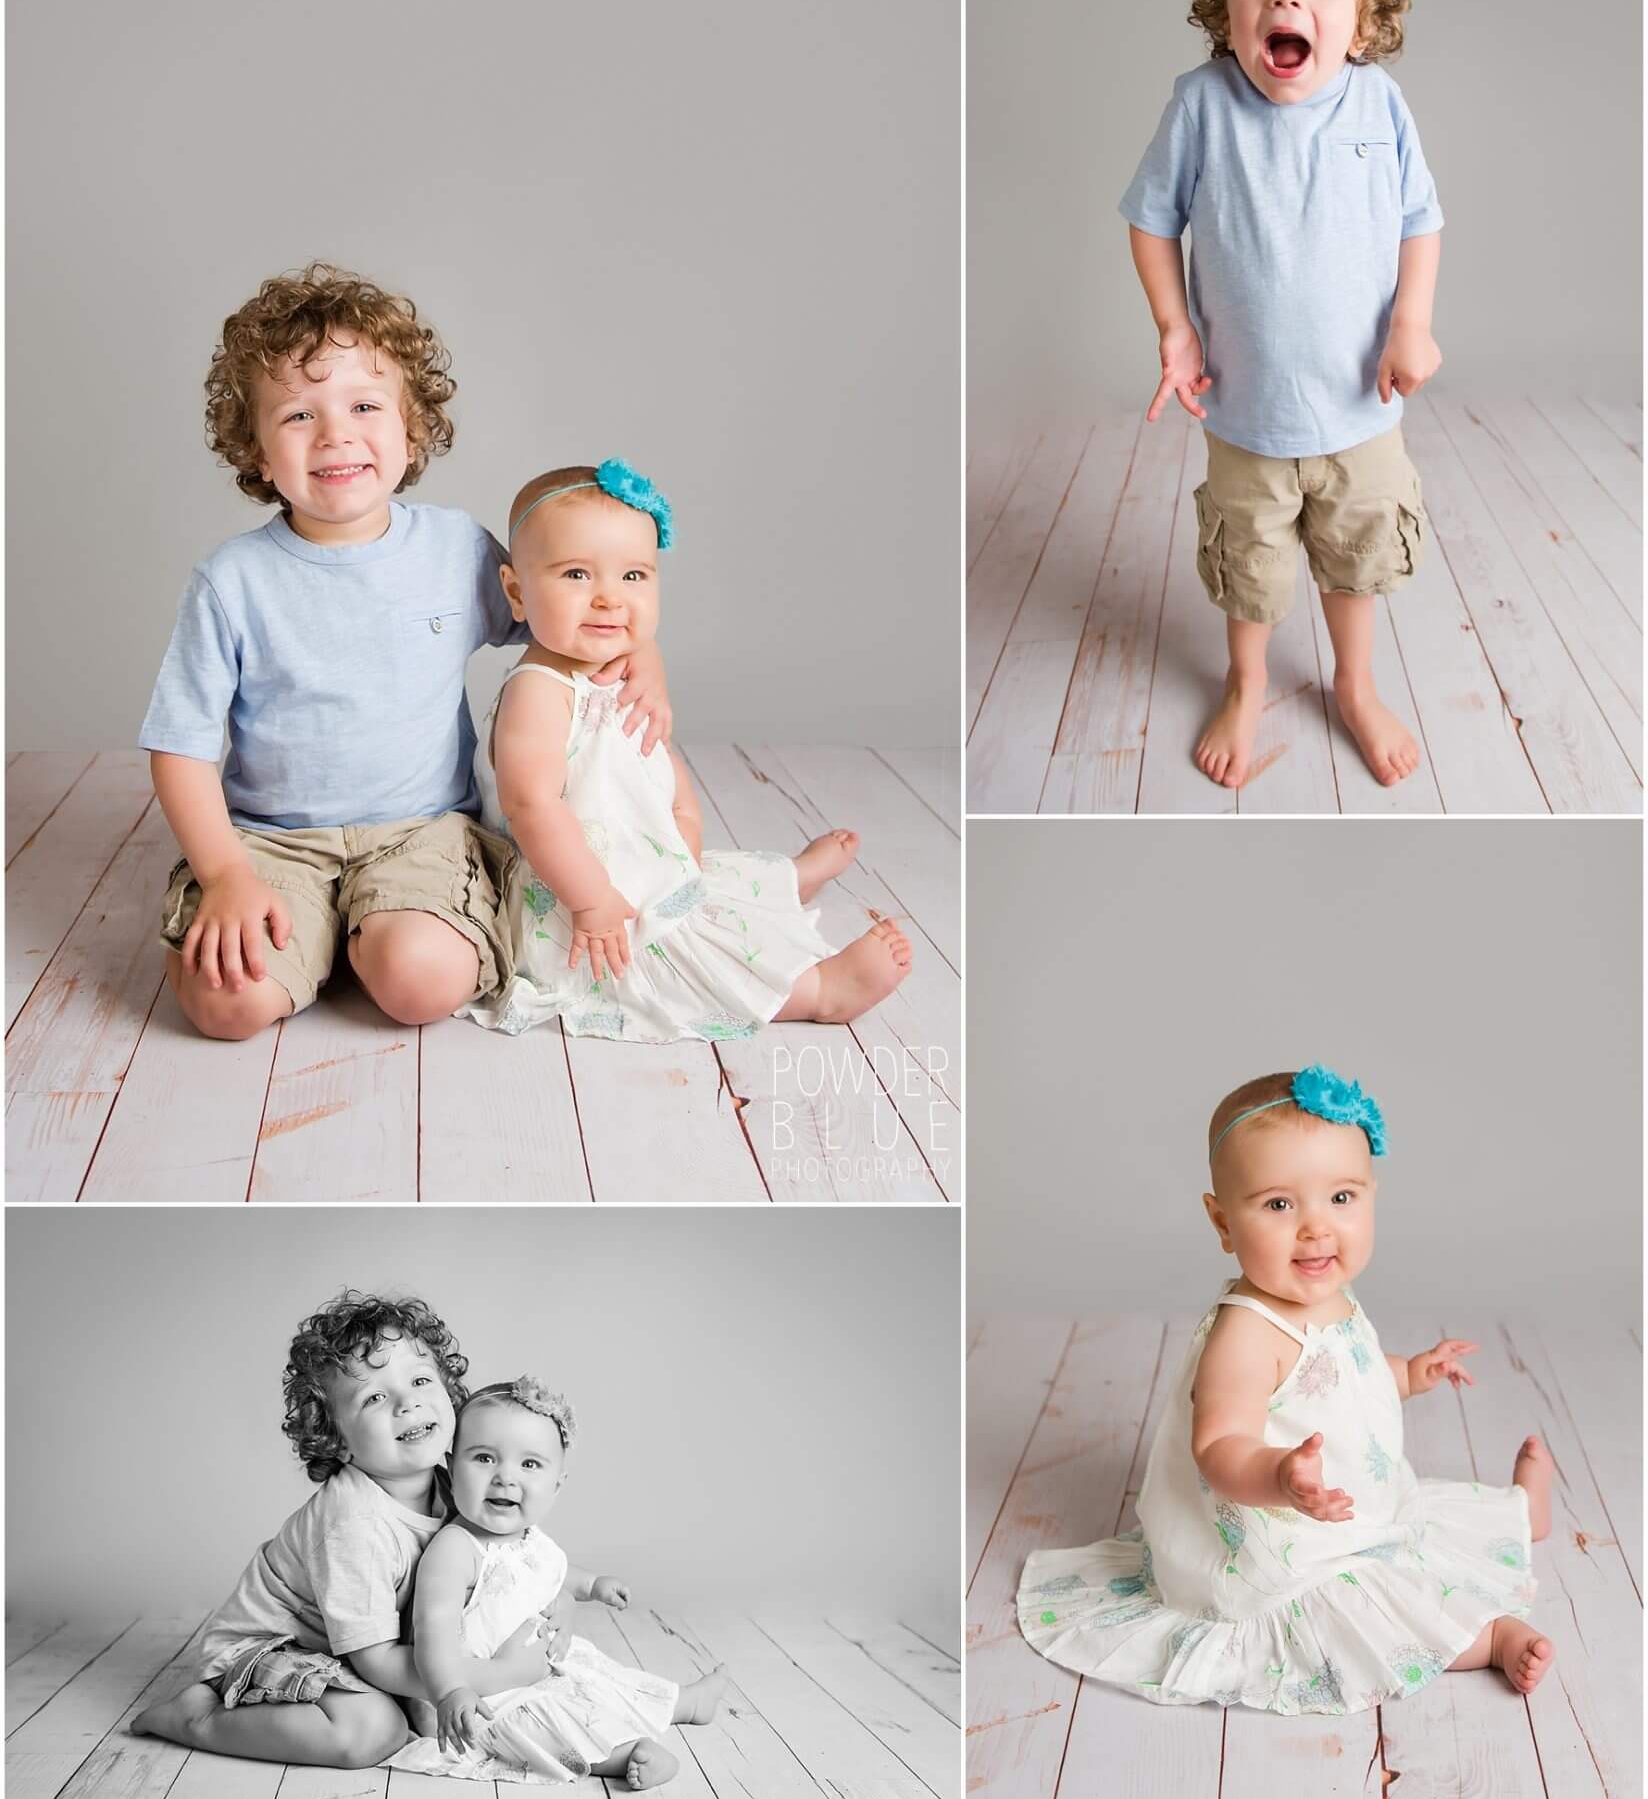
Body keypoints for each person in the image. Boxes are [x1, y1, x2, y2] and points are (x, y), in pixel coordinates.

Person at [140, 265, 670, 1038]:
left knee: (423, 985)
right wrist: (224, 874)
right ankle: (302, 929)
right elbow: (180, 747)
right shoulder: (233, 581)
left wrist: (644, 656)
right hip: (273, 838)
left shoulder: (455, 548)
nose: (336, 434)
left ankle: (372, 932)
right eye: (296, 416)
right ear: (256, 451)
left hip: (419, 829)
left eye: (363, 405)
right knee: (228, 1007)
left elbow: (571, 631)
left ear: (411, 428)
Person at [1018, 1066, 1555, 1713]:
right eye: (1279, 1204)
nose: (1316, 1228)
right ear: (1221, 1222)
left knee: (1419, 1535)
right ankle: (1487, 1639)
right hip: (1286, 1549)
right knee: (1359, 1610)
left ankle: (1523, 1515)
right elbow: (1219, 1445)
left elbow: (1347, 1374)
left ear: (1371, 1196)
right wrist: (1279, 1477)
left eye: (1342, 1198)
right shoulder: (1247, 1334)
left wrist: (1412, 1372)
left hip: (1354, 1503)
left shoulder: (1328, 1293)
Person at [1123, 0, 1443, 789]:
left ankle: (1355, 683)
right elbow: (1151, 220)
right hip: (1248, 414)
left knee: (1356, 559)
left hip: (1360, 409)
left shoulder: (1378, 106)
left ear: (1362, 19)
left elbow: (1420, 219)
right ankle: (1248, 678)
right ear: (1225, 10)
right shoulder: (1202, 106)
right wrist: (1175, 330)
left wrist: (1410, 323)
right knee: (1251, 566)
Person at [464, 461, 913, 1042]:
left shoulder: (609, 664)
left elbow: (645, 750)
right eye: (576, 575)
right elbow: (532, 809)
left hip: (635, 850)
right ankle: (818, 992)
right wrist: (593, 900)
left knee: (701, 888)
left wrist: (685, 815)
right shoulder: (538, 692)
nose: (608, 600)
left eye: (633, 576)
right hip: (573, 889)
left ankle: (784, 884)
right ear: (517, 593)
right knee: (673, 952)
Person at [131, 1293, 557, 1766]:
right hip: (273, 1650)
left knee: (457, 1696)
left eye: (419, 1380)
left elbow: (512, 1559)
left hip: (355, 1650)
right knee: (374, 1731)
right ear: (337, 1440)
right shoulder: (355, 1524)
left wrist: (560, 1609)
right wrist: (501, 1674)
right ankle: (196, 1718)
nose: (407, 1402)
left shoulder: (454, 1483)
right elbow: (377, 1663)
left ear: (451, 1396)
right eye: (374, 1397)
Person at [391, 1376, 727, 1788]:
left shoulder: (530, 1538)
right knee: (545, 1728)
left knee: (602, 1678)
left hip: (539, 1668)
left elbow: (553, 1570)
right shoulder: (454, 1549)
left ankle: (684, 1702)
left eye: (529, 1464)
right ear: (449, 1470)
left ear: (556, 1485)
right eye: (483, 1458)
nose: (505, 1478)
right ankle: (624, 1755)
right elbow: (433, 1632)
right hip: (482, 1699)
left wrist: (593, 1586)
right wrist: (448, 1692)